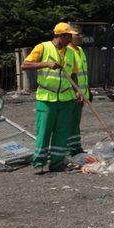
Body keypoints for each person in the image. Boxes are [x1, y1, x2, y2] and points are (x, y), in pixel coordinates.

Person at [21, 22, 80, 174]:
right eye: (69, 36)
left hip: (66, 99)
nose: (72, 38)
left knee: (62, 133)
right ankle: (39, 163)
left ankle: (57, 163)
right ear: (62, 36)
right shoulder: (43, 47)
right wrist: (46, 64)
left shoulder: (71, 52)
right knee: (44, 132)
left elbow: (73, 73)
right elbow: (25, 65)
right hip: (47, 98)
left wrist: (77, 90)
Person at [67, 25, 90, 156]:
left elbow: (83, 73)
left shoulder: (80, 50)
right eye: (77, 34)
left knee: (76, 123)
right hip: (72, 94)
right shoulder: (67, 51)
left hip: (82, 94)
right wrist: (75, 91)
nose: (80, 36)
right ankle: (68, 149)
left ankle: (76, 147)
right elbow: (70, 74)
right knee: (69, 123)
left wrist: (87, 91)